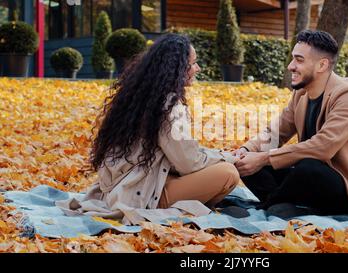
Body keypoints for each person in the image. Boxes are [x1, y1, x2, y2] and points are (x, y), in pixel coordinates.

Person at [57, 34, 240, 224]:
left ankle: (193, 203)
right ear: (177, 68)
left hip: (127, 186)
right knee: (228, 174)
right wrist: (229, 158)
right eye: (193, 64)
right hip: (143, 195)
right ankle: (184, 209)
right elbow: (189, 163)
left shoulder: (140, 95)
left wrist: (220, 154)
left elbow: (181, 154)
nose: (197, 68)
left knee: (217, 167)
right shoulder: (169, 105)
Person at [232, 30, 348, 220]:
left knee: (307, 167)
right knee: (250, 165)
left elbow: (323, 147)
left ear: (322, 65)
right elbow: (275, 132)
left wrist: (264, 158)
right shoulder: (301, 93)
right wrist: (245, 150)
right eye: (292, 59)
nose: (291, 66)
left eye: (299, 60)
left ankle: (268, 206)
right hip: (309, 179)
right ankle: (287, 206)